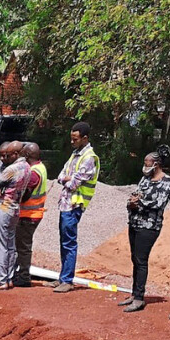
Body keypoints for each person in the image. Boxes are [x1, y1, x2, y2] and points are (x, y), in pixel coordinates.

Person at [120, 148, 170, 313]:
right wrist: (133, 202)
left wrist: (140, 203)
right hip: (135, 222)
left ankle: (139, 298)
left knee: (141, 260)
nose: (144, 166)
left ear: (156, 164)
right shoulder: (145, 179)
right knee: (135, 259)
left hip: (149, 227)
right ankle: (134, 293)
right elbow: (136, 195)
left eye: (147, 163)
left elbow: (158, 203)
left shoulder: (166, 181)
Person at [51, 121, 100, 293]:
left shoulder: (89, 158)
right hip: (65, 203)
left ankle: (67, 280)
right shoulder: (75, 154)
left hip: (74, 204)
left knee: (69, 242)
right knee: (64, 241)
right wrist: (66, 178)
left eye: (75, 139)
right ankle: (62, 277)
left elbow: (73, 183)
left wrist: (67, 179)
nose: (72, 142)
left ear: (85, 138)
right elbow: (61, 175)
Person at [0, 143, 32, 290]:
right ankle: (9, 277)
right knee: (10, 245)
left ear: (16, 154)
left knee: (0, 245)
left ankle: (0, 280)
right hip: (15, 208)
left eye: (9, 154)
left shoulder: (12, 169)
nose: (6, 157)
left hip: (4, 208)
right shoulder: (27, 168)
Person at [14, 141, 47, 287]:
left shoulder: (34, 173)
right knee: (22, 245)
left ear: (27, 154)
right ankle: (20, 274)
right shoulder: (40, 167)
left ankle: (24, 277)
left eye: (23, 152)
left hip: (29, 214)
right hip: (33, 213)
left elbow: (26, 193)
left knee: (23, 247)